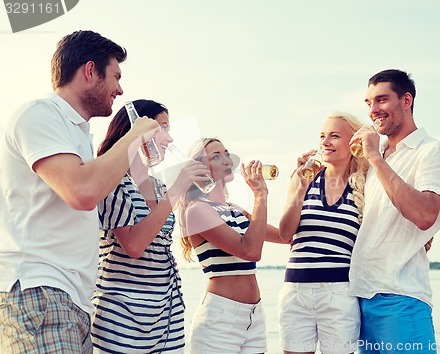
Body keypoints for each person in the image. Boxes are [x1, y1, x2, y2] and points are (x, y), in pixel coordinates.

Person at [0, 30, 159, 353]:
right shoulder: (40, 114)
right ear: (90, 71)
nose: (120, 89)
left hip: (72, 301)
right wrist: (135, 135)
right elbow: (82, 192)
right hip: (40, 291)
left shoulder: (78, 136)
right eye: (115, 76)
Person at [348, 69, 440, 354]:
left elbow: (424, 215)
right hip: (361, 295)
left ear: (406, 100)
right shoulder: (375, 159)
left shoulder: (432, 151)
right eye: (369, 103)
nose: (373, 110)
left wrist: (374, 157)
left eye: (382, 100)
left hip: (401, 297)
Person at [91, 100, 211, 353]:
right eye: (163, 128)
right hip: (121, 317)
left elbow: (160, 243)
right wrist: (177, 189)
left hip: (167, 315)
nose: (169, 138)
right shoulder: (114, 182)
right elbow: (134, 245)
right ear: (139, 130)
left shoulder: (160, 187)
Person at [177, 138, 285, 353]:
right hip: (220, 319)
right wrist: (260, 195)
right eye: (215, 156)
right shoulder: (197, 210)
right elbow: (250, 251)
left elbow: (284, 236)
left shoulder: (235, 210)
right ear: (199, 168)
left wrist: (301, 186)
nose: (226, 160)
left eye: (226, 154)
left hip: (254, 315)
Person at [278, 113, 369, 354]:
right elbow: (286, 233)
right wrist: (300, 190)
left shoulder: (364, 184)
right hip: (295, 291)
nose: (325, 142)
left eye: (335, 136)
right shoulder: (303, 178)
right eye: (322, 136)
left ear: (354, 142)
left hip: (339, 293)